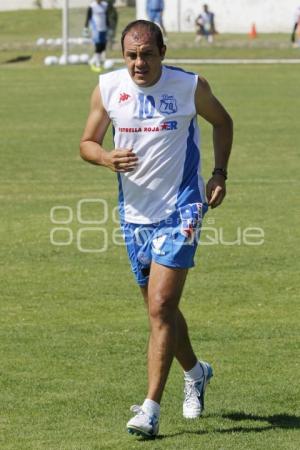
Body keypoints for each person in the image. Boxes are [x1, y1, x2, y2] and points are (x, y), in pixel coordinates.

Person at [80, 20, 233, 439]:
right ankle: (197, 372)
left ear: (162, 51)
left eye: (147, 53)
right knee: (159, 311)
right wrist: (105, 158)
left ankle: (150, 408)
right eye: (131, 55)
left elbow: (224, 122)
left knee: (161, 307)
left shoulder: (189, 87)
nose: (138, 63)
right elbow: (86, 143)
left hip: (182, 209)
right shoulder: (108, 88)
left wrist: (218, 174)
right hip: (134, 216)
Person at [83, 0, 108, 71]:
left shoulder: (105, 5)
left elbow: (106, 16)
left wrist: (108, 26)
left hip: (104, 28)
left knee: (103, 46)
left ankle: (92, 61)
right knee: (98, 45)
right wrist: (85, 28)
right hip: (96, 28)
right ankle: (97, 63)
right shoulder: (92, 6)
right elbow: (88, 17)